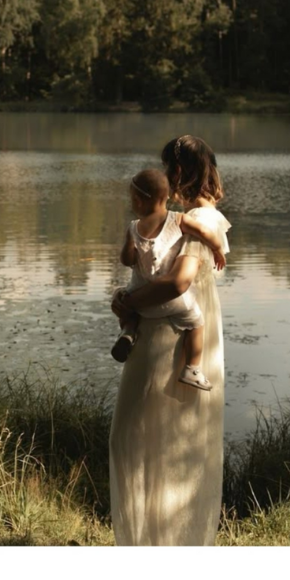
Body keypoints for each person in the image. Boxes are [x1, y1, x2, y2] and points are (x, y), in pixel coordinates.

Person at [107, 135, 232, 546]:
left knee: (141, 438)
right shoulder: (197, 217)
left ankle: (161, 540)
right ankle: (159, 538)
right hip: (180, 328)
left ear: (177, 171)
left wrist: (128, 301)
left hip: (169, 338)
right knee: (163, 440)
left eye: (166, 167)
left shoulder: (194, 219)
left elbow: (178, 282)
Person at [111, 167, 217, 392]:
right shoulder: (179, 219)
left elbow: (127, 260)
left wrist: (132, 247)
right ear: (167, 195)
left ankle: (128, 331)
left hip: (139, 298)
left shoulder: (133, 227)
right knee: (196, 322)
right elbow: (204, 232)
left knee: (122, 298)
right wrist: (216, 248)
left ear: (138, 201)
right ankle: (192, 369)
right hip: (170, 301)